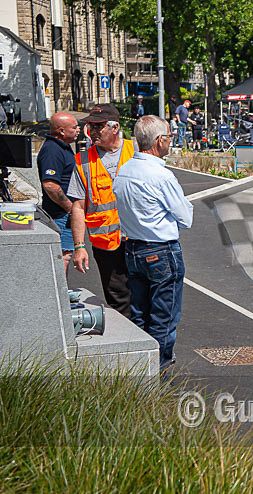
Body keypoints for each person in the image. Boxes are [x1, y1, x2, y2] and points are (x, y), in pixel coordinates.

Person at [113, 115, 193, 373]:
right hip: (161, 250)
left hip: (133, 247)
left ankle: (139, 367)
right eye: (168, 137)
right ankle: (158, 371)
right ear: (159, 141)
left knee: (139, 313)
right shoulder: (162, 175)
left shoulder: (124, 171)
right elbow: (186, 217)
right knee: (164, 317)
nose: (170, 141)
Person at [67, 104, 136, 317]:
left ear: (114, 128)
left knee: (146, 295)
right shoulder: (82, 161)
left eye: (98, 127)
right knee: (118, 299)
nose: (93, 132)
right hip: (105, 243)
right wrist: (79, 246)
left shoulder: (135, 150)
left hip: (138, 238)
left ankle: (152, 346)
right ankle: (129, 345)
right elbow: (78, 207)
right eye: (90, 127)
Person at [37, 113, 81, 276]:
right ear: (61, 131)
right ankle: (61, 298)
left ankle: (63, 294)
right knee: (63, 255)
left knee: (66, 254)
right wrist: (70, 208)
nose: (79, 130)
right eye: (74, 127)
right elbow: (50, 184)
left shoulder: (62, 147)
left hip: (65, 213)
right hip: (61, 214)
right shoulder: (52, 150)